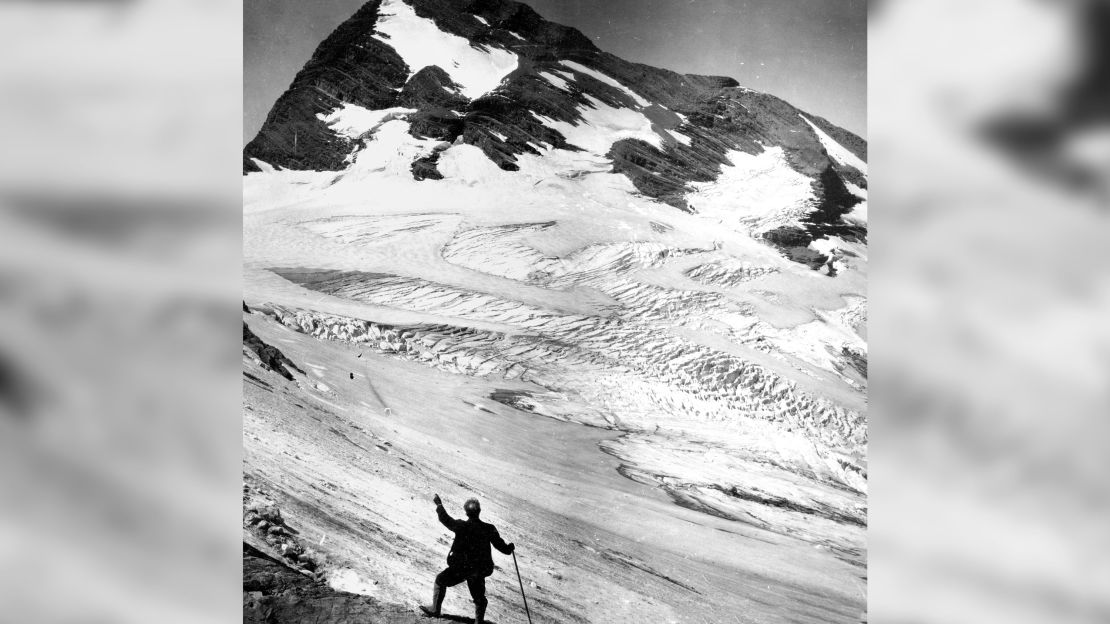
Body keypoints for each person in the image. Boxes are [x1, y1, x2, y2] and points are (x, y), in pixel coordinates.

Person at [420, 494, 514, 623]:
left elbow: (445, 519)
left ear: (466, 512)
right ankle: (478, 621)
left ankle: (435, 610)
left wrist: (439, 505)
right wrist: (509, 548)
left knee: (440, 580)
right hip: (479, 570)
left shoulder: (461, 526)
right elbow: (502, 547)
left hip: (462, 568)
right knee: (479, 596)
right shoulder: (489, 528)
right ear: (479, 511)